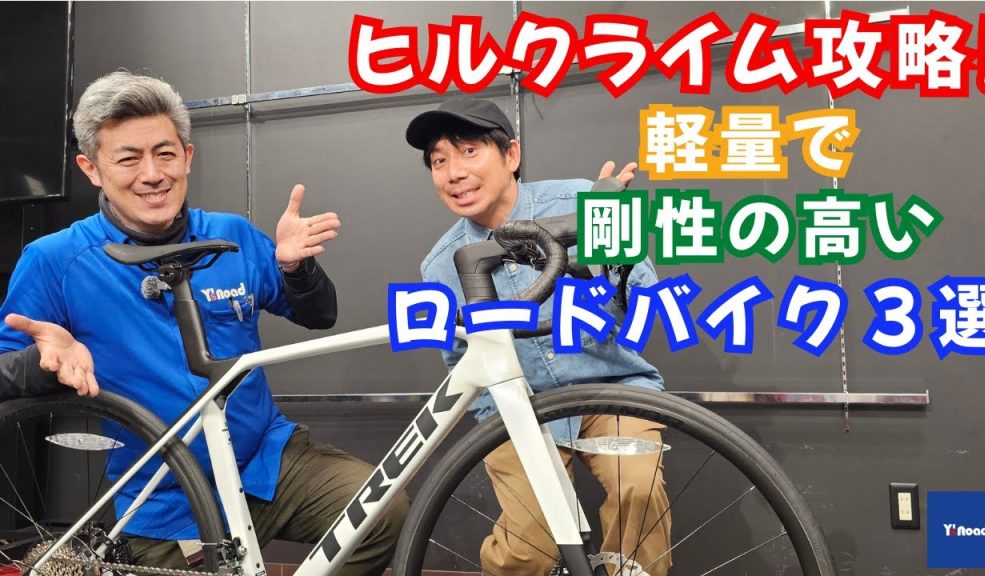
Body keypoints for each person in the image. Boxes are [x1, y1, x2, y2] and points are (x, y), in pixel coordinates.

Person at [0, 70, 407, 575]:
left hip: (267, 465)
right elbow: (6, 371)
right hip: (164, 501)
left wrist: (295, 270)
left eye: (165, 153)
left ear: (187, 157)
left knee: (381, 510)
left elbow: (319, 314)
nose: (153, 174)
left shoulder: (231, 234)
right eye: (128, 158)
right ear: (92, 169)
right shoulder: (55, 260)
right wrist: (44, 362)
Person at [408, 97, 672, 576]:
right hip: (519, 411)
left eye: (469, 151)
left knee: (637, 487)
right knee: (529, 548)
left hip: (610, 390)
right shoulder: (441, 266)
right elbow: (462, 363)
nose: (454, 173)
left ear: (511, 154)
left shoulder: (577, 202)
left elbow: (642, 301)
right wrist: (502, 423)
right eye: (439, 161)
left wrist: (612, 242)